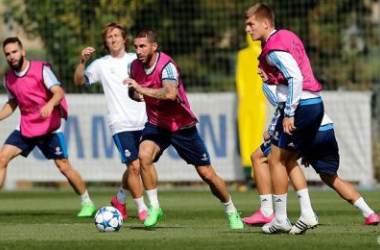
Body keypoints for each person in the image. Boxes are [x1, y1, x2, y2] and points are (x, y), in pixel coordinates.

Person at [123, 27, 244, 230]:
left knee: (207, 175)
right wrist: (137, 93)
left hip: (180, 126)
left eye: (142, 46)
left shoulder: (167, 66)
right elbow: (133, 94)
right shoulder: (133, 66)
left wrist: (142, 89)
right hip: (156, 124)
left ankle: (232, 211)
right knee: (143, 156)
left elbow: (170, 94)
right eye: (136, 46)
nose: (138, 51)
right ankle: (154, 207)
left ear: (154, 46)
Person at [242, 71, 379, 227]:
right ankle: (370, 214)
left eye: (262, 65)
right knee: (330, 177)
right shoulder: (296, 78)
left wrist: (271, 131)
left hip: (305, 128)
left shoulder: (272, 85)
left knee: (266, 158)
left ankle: (277, 212)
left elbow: (285, 110)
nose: (259, 70)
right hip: (326, 129)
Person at [245, 3, 323, 234]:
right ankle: (306, 213)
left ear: (265, 23)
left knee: (274, 160)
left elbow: (295, 78)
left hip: (302, 105)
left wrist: (289, 112)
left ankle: (278, 217)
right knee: (285, 160)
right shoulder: (288, 36)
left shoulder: (273, 49)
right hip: (313, 102)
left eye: (251, 24)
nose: (247, 29)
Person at [1, 37, 96, 217]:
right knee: (2, 159)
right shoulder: (9, 79)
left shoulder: (41, 69)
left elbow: (59, 92)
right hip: (27, 127)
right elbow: (12, 103)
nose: (11, 56)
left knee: (64, 167)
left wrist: (50, 104)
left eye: (14, 52)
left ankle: (87, 201)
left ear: (22, 52)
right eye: (8, 54)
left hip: (49, 127)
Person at [73, 23, 148, 221]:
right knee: (133, 167)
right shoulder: (101, 64)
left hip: (144, 121)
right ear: (106, 42)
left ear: (124, 39)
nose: (113, 39)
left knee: (137, 166)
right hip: (121, 124)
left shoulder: (136, 60)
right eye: (109, 37)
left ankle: (120, 199)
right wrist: (82, 61)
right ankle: (142, 208)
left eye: (116, 35)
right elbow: (79, 81)